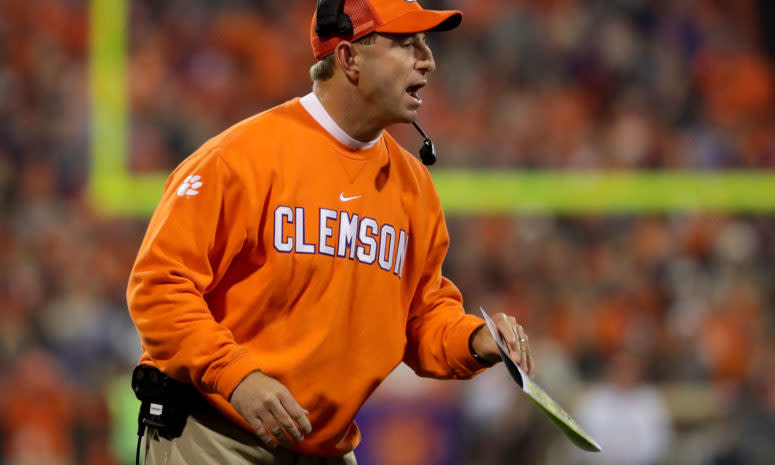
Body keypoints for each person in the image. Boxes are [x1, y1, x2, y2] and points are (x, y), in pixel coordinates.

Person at [127, 1, 534, 464]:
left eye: (425, 44)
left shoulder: (412, 186)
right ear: (348, 58)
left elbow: (420, 317)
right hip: (217, 434)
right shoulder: (241, 158)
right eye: (406, 44)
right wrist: (236, 377)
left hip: (325, 447)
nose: (428, 59)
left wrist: (474, 340)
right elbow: (159, 287)